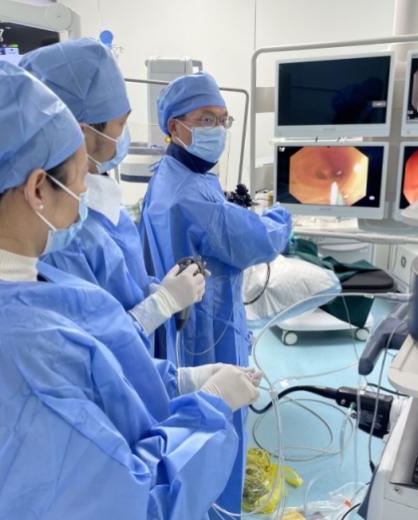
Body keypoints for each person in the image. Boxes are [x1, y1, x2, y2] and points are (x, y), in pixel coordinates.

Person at [0, 61, 261, 520]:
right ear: (38, 189)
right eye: (80, 176)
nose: (86, 190)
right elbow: (132, 506)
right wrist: (210, 408)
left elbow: (94, 373)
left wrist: (181, 381)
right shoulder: (16, 360)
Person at [140, 71, 293, 516]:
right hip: (206, 326)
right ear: (174, 126)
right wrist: (283, 213)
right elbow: (256, 240)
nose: (218, 130)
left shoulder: (169, 174)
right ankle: (220, 508)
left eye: (223, 120)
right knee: (221, 421)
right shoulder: (191, 195)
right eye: (206, 119)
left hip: (180, 319)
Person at [20, 38, 197, 355]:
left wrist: (156, 291)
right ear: (82, 133)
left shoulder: (101, 203)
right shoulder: (63, 233)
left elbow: (123, 286)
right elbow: (92, 351)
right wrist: (163, 302)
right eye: (121, 124)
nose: (123, 135)